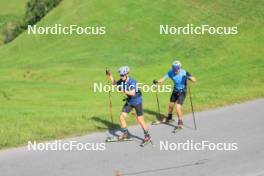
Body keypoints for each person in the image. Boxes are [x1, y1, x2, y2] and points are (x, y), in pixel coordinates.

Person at [106, 66, 151, 144]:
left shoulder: (132, 82)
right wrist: (110, 75)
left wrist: (123, 90)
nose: (121, 76)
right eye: (120, 75)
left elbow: (133, 93)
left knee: (140, 119)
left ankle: (147, 136)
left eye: (122, 75)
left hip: (137, 101)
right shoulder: (122, 81)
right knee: (121, 117)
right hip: (130, 101)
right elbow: (114, 83)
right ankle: (126, 134)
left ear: (127, 74)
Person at [153, 60, 196, 128]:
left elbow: (194, 80)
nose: (175, 71)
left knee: (178, 107)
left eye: (176, 69)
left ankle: (180, 122)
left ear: (179, 68)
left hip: (182, 91)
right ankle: (169, 118)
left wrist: (189, 77)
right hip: (175, 91)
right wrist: (157, 81)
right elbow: (163, 79)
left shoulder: (184, 72)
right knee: (170, 105)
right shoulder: (170, 72)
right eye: (174, 69)